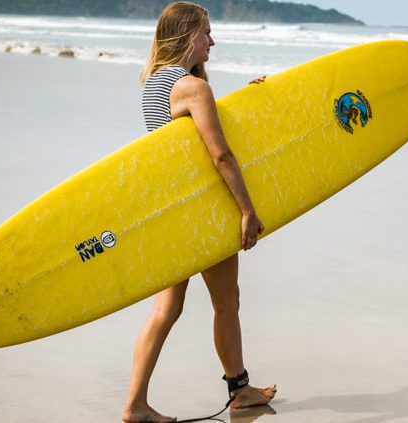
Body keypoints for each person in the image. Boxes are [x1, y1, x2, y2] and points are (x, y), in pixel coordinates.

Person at [124, 2, 276, 422]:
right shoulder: (192, 87)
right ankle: (241, 391)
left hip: (170, 213)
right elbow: (220, 154)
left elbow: (190, 143)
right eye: (207, 32)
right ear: (188, 34)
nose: (213, 40)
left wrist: (251, 101)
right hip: (203, 213)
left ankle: (135, 404)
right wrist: (247, 209)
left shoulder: (156, 83)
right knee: (226, 302)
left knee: (165, 310)